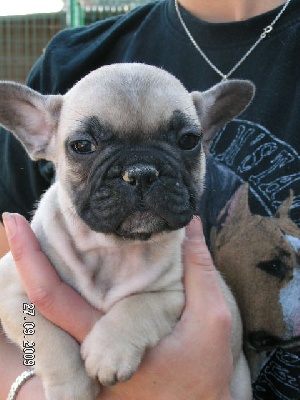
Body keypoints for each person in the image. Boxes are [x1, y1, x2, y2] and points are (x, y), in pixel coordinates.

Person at [0, 0, 300, 398]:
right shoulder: (69, 58)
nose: (137, 175)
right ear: (39, 134)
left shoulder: (172, 261)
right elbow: (19, 310)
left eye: (186, 142)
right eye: (86, 147)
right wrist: (45, 378)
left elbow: (170, 299)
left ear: (208, 131)